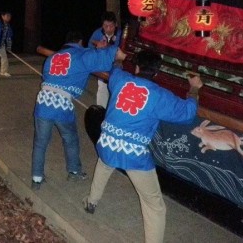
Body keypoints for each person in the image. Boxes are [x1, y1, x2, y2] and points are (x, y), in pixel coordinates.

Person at [83, 50, 201, 243]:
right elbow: (188, 113)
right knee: (155, 205)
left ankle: (91, 202)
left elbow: (116, 69)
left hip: (106, 142)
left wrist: (120, 59)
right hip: (133, 154)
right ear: (156, 72)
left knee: (104, 165)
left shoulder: (120, 79)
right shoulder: (160, 95)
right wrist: (194, 89)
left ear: (137, 67)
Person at [31, 31, 127, 190]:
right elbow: (107, 59)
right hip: (62, 103)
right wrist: (106, 49)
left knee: (41, 142)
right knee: (70, 138)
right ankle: (74, 171)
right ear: (80, 42)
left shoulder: (52, 58)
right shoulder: (82, 55)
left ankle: (36, 177)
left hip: (42, 100)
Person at [89, 11, 123, 108]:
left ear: (116, 24)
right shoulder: (97, 33)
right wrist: (97, 48)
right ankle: (99, 112)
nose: (108, 29)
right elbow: (89, 49)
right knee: (102, 91)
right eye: (105, 26)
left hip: (117, 69)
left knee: (116, 93)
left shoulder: (121, 35)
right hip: (102, 69)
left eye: (111, 26)